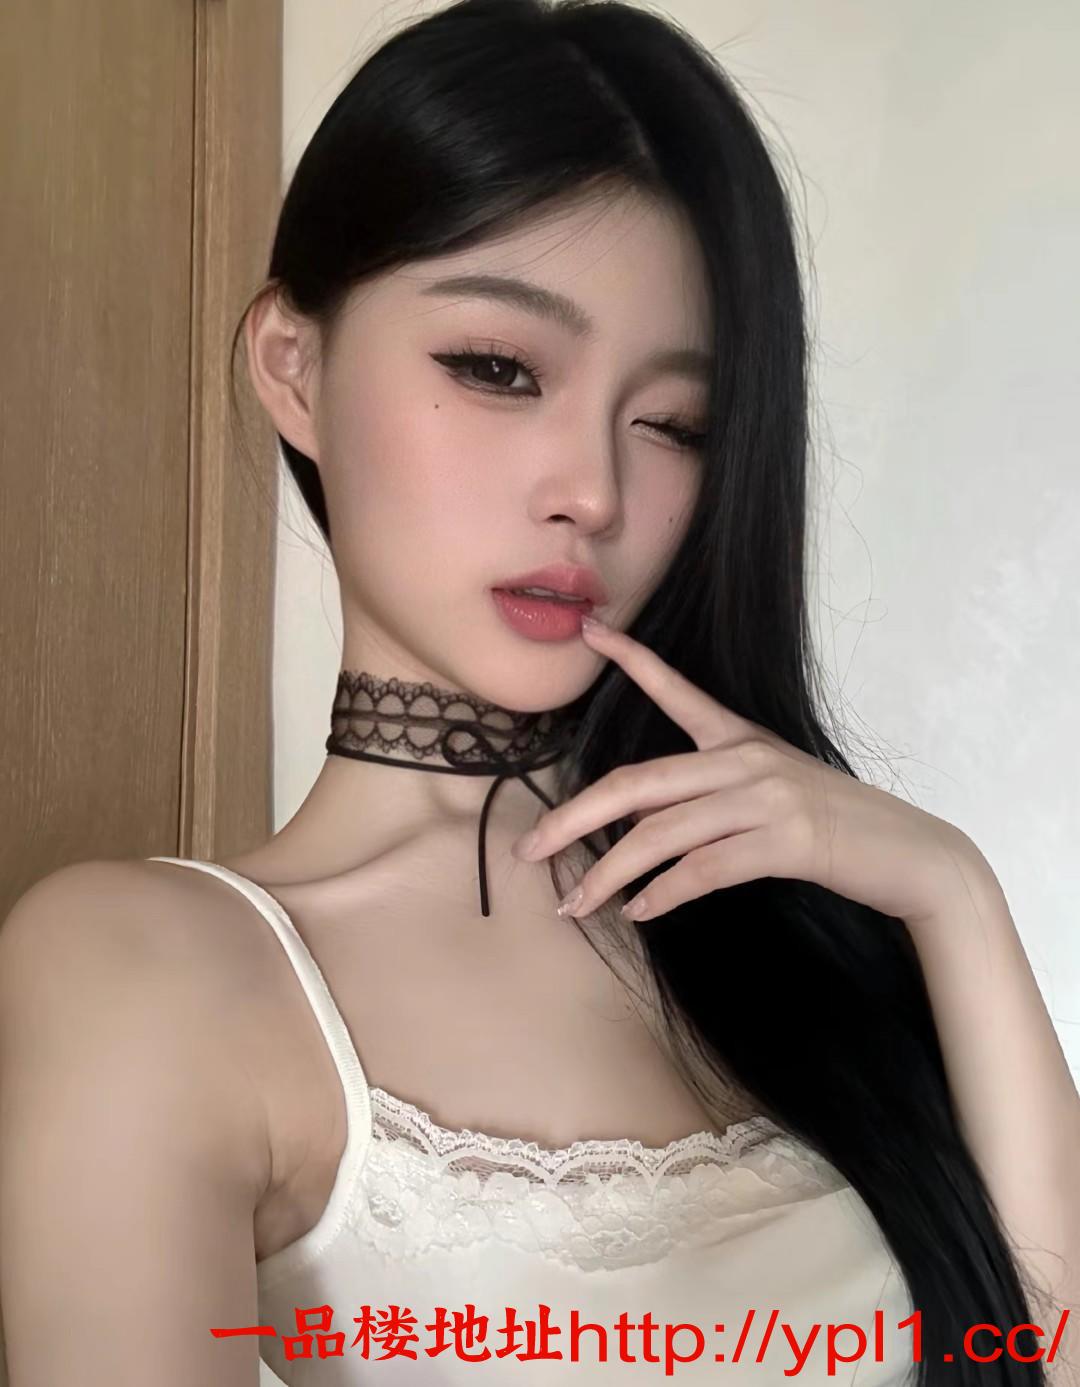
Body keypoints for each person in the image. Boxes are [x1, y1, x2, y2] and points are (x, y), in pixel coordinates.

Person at [1, 0, 1076, 1383]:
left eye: (674, 422)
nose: (594, 491)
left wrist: (954, 896)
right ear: (295, 367)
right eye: (499, 369)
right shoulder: (145, 970)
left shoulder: (802, 934)